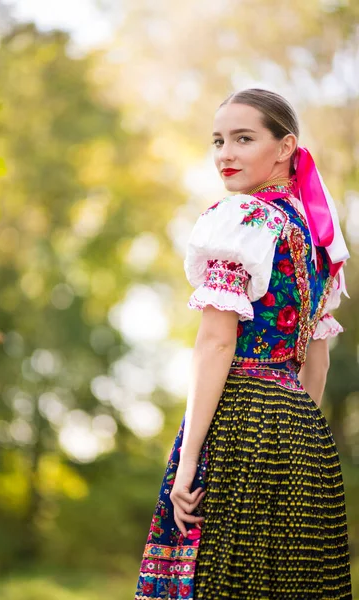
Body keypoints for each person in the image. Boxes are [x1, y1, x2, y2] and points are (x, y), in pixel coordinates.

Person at [135, 88, 352, 599]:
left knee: (219, 582)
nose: (225, 154)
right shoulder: (317, 238)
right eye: (218, 141)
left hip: (238, 421)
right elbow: (315, 361)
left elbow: (215, 344)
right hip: (302, 436)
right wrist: (290, 433)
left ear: (284, 147)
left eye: (243, 138)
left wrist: (188, 462)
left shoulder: (242, 220)